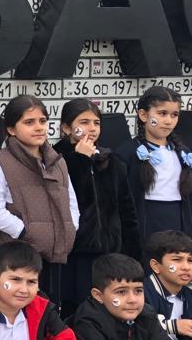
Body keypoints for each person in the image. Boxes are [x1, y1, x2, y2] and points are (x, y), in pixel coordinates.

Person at [0, 94, 80, 301]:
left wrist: (71, 227)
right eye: (29, 122)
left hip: (56, 254)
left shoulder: (58, 161)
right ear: (11, 129)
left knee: (50, 311)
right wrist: (24, 231)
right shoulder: (0, 162)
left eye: (42, 121)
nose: (39, 127)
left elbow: (71, 200)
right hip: (19, 257)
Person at [53, 99, 140, 318]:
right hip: (75, 254)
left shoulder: (111, 160)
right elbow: (70, 199)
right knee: (77, 311)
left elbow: (127, 211)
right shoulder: (56, 159)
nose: (92, 128)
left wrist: (132, 254)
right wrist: (80, 160)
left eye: (96, 123)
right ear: (67, 128)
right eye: (84, 122)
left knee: (110, 310)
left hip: (109, 252)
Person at [114, 85, 192, 247]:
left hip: (179, 220)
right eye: (162, 113)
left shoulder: (183, 153)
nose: (168, 121)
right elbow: (120, 202)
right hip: (146, 222)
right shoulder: (127, 153)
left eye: (174, 115)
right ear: (143, 115)